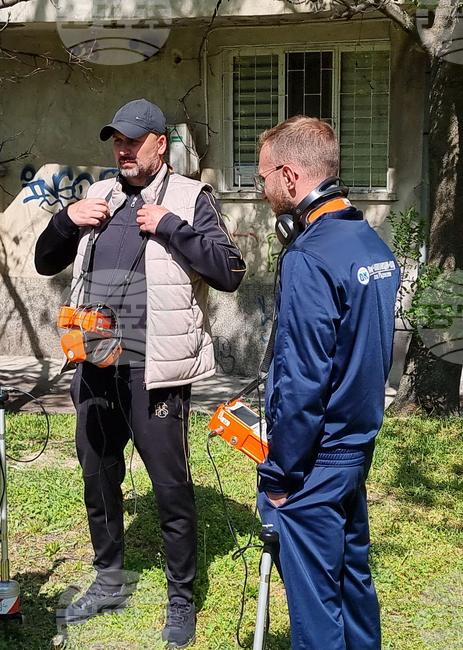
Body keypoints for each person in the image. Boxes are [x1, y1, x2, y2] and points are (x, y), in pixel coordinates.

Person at [35, 99, 246, 648]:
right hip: (95, 362)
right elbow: (44, 260)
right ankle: (110, 580)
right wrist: (66, 220)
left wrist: (171, 227)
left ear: (160, 143)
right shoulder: (99, 197)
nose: (123, 151)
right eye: (117, 142)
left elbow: (230, 271)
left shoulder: (190, 198)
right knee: (98, 476)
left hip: (155, 370)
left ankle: (181, 598)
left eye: (133, 141)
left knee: (170, 486)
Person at [255, 116, 400, 650]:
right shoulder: (371, 245)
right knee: (352, 580)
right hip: (356, 448)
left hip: (316, 461)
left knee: (316, 601)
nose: (262, 188)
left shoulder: (309, 257)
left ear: (290, 176)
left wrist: (279, 474)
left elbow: (302, 380)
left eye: (264, 177)